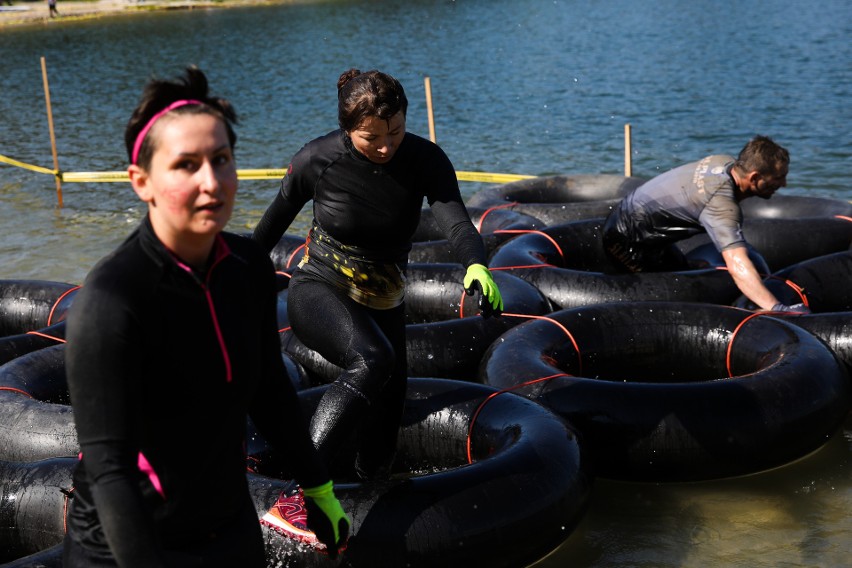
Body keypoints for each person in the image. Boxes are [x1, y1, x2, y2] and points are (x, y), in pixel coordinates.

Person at [63, 66, 349, 567]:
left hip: (227, 524)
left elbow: (270, 392)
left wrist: (318, 486)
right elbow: (109, 471)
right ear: (142, 182)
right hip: (126, 544)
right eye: (186, 165)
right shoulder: (113, 300)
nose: (211, 181)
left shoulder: (248, 267)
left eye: (221, 160)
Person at [252, 68, 503, 481]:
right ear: (348, 129)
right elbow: (267, 230)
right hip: (319, 288)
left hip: (386, 302)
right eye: (372, 138)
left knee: (383, 436)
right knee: (372, 359)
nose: (386, 147)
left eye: (396, 132)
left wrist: (476, 264)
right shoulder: (317, 159)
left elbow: (457, 224)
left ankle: (368, 504)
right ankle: (302, 489)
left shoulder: (426, 160)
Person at [602, 135, 809, 313]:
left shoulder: (723, 162)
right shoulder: (720, 204)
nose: (784, 184)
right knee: (668, 300)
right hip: (625, 240)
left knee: (682, 271)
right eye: (778, 178)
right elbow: (737, 264)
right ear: (754, 177)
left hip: (644, 232)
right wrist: (776, 307)